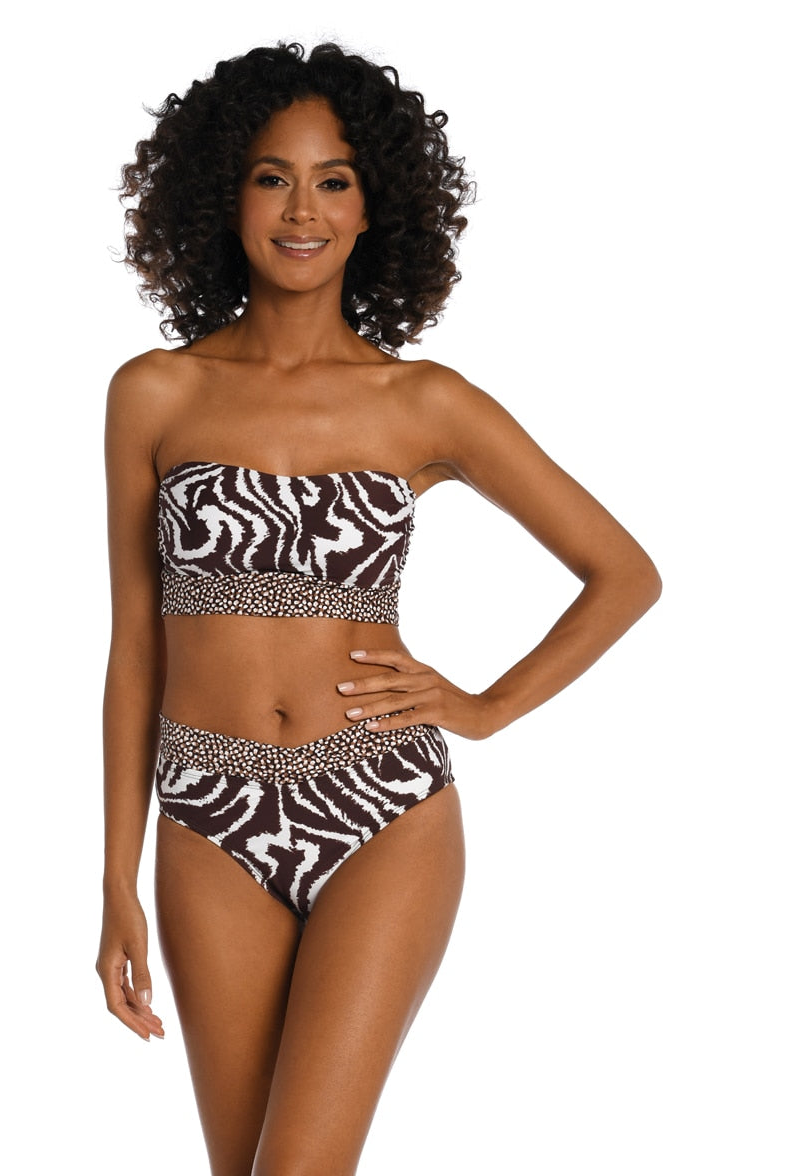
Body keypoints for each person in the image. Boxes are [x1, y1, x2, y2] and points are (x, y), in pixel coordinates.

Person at [96, 41, 661, 1176]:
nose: (302, 209)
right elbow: (136, 645)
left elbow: (623, 573)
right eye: (272, 177)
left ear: (373, 208)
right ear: (225, 196)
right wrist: (117, 876)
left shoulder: (422, 403)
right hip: (205, 813)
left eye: (335, 180)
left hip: (380, 808)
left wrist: (485, 708)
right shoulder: (154, 392)